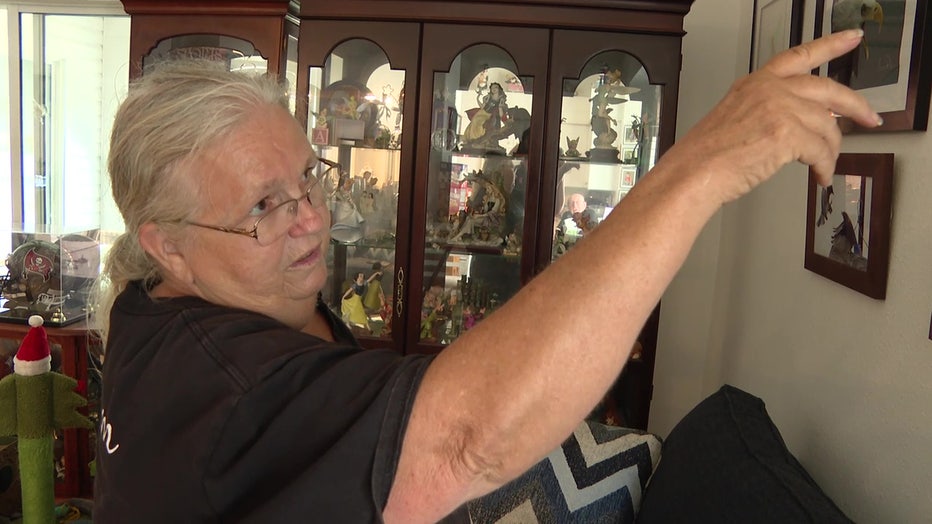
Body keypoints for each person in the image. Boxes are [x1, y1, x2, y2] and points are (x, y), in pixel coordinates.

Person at [92, 30, 881, 522]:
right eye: (265, 204)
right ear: (165, 243)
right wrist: (702, 166)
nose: (311, 219)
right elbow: (468, 441)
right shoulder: (227, 379)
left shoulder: (153, 303)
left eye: (310, 178)